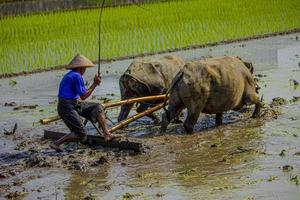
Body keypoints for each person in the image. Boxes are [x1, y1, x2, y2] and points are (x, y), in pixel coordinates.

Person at [50, 54, 117, 152]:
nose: (85, 70)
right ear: (81, 68)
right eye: (84, 68)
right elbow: (84, 95)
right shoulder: (76, 76)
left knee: (97, 107)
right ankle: (56, 143)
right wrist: (95, 83)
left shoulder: (72, 75)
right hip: (66, 107)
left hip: (74, 103)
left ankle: (107, 134)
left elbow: (80, 94)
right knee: (81, 134)